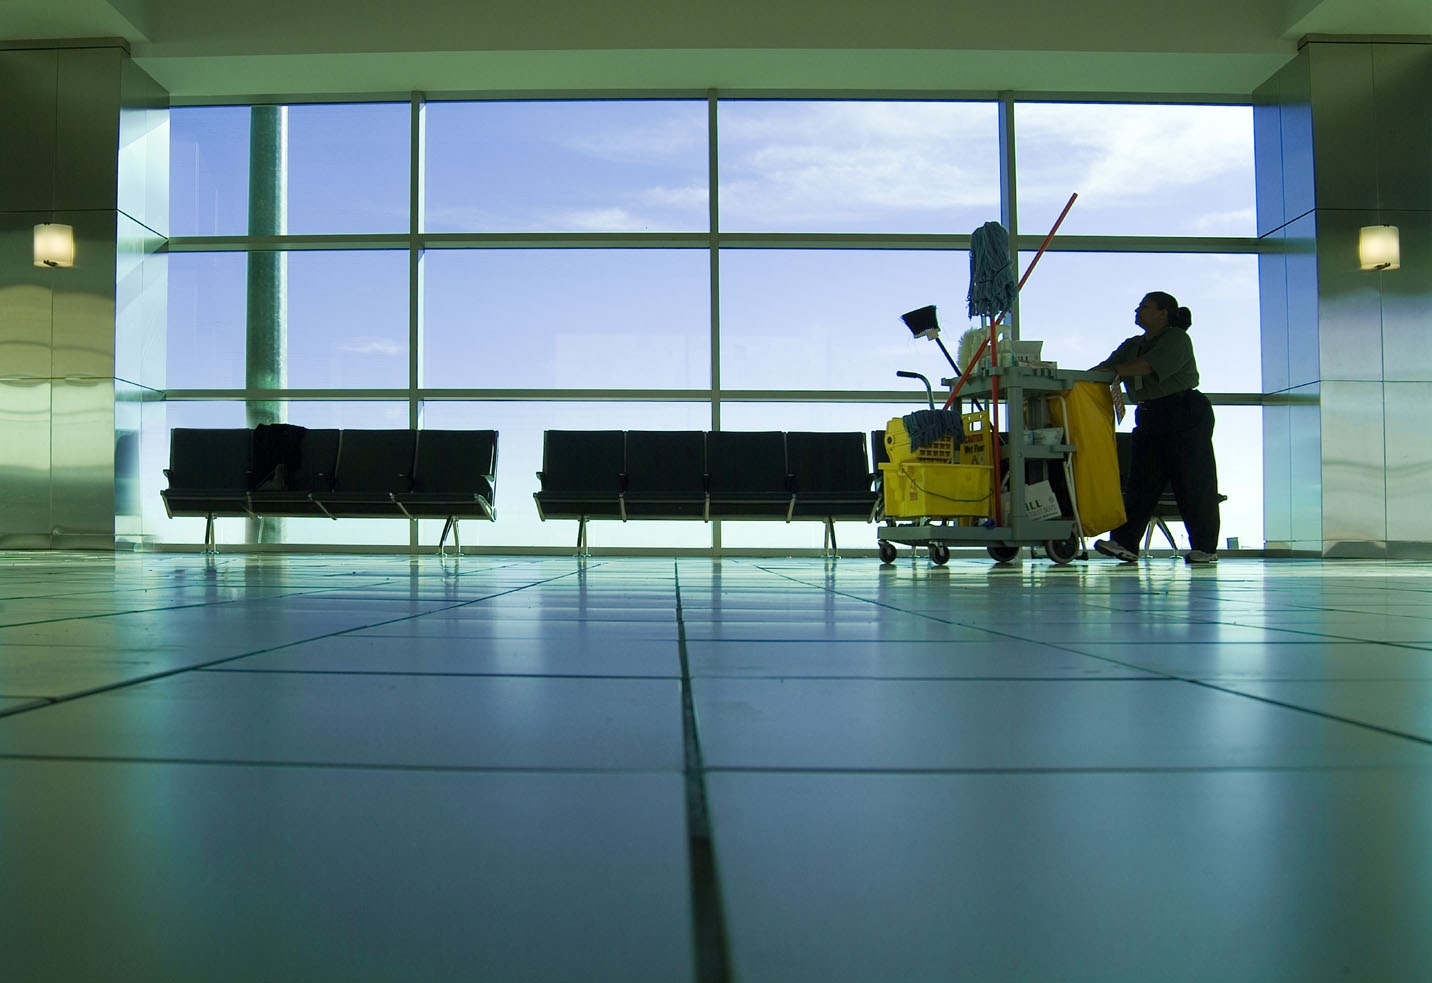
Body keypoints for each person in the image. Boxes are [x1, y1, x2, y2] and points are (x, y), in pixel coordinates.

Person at [1090, 291, 1221, 566]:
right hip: (1150, 415)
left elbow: (1144, 367)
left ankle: (1205, 547)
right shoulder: (1133, 344)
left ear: (1164, 314)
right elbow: (1106, 368)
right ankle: (1124, 543)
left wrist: (1113, 370)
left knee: (1193, 480)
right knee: (1140, 481)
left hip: (1183, 412)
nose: (1137, 310)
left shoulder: (1176, 339)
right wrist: (1077, 379)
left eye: (1145, 307)